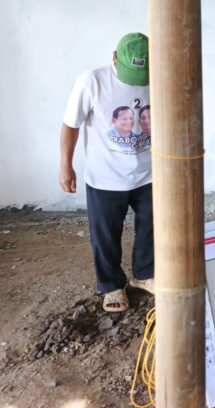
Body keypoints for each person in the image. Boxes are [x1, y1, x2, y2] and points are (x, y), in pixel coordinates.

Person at [59, 33, 155, 312]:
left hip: (148, 173)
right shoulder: (92, 81)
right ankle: (112, 285)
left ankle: (144, 275)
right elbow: (70, 124)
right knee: (105, 235)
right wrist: (66, 165)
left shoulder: (159, 76)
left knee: (152, 226)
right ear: (114, 57)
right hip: (105, 177)